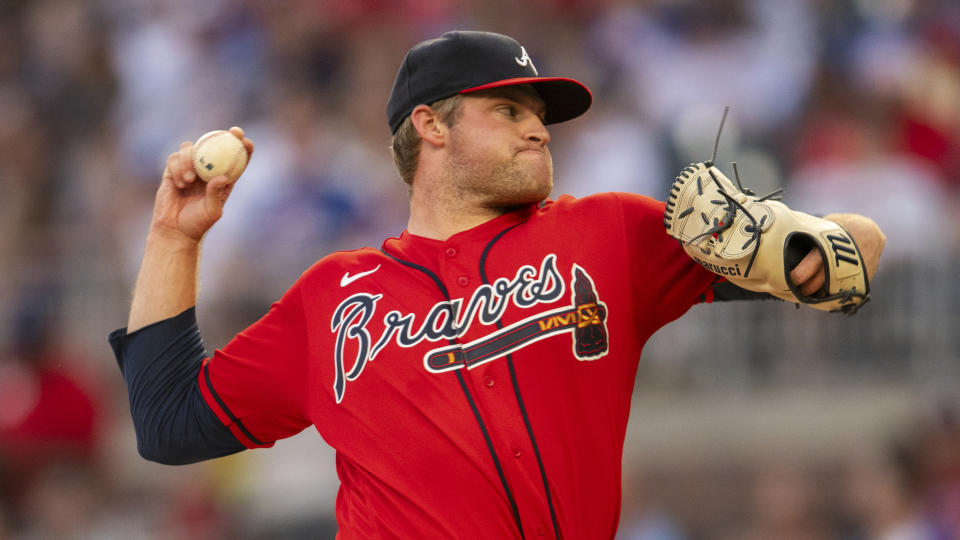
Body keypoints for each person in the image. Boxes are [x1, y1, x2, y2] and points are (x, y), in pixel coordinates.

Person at [108, 31, 886, 538]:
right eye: (509, 109)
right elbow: (169, 422)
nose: (539, 128)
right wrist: (173, 236)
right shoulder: (335, 297)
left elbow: (861, 252)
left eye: (539, 114)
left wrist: (791, 241)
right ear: (430, 126)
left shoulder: (608, 234)